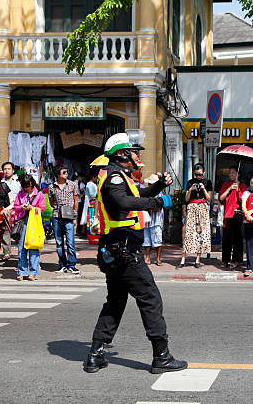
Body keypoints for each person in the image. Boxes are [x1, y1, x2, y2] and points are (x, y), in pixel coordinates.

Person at [85, 132, 187, 374]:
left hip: (115, 249)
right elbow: (123, 202)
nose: (137, 155)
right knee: (150, 299)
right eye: (133, 151)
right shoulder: (114, 178)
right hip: (125, 250)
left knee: (116, 301)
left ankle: (95, 354)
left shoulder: (119, 175)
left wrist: (159, 186)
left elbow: (137, 196)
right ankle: (161, 356)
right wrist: (159, 203)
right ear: (121, 154)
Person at [48, 164, 80, 274]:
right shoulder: (52, 187)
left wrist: (74, 215)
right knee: (59, 242)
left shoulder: (72, 185)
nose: (66, 174)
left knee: (70, 242)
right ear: (58, 174)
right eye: (64, 172)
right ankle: (62, 264)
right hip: (57, 216)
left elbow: (76, 201)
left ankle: (72, 265)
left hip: (69, 216)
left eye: (67, 172)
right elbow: (51, 202)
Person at [179, 163, 212, 268]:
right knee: (189, 232)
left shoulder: (208, 182)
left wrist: (203, 189)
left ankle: (198, 259)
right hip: (192, 207)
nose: (198, 177)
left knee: (202, 233)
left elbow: (209, 199)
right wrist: (190, 190)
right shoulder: (190, 182)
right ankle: (183, 258)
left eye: (200, 175)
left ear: (204, 173)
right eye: (196, 175)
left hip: (202, 207)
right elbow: (186, 199)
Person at [13, 174, 46, 281]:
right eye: (25, 187)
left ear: (32, 184)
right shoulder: (20, 194)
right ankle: (21, 272)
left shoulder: (39, 194)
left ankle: (33, 272)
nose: (27, 189)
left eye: (29, 186)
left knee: (34, 247)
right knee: (21, 248)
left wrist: (32, 208)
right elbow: (16, 206)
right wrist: (22, 207)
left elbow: (42, 209)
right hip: (23, 223)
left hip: (34, 223)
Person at [219, 166, 247, 269]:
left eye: (233, 173)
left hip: (238, 214)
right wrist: (229, 189)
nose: (231, 175)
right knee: (226, 238)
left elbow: (243, 199)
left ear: (238, 174)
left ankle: (236, 260)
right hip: (228, 214)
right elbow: (221, 198)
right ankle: (225, 260)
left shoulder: (242, 186)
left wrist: (238, 188)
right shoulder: (226, 185)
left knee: (237, 239)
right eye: (230, 173)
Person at [142, 174, 165, 266]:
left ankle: (158, 258)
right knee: (146, 240)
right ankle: (147, 258)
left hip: (156, 220)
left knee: (157, 240)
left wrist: (147, 208)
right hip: (147, 220)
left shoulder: (160, 194)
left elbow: (158, 207)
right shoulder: (145, 194)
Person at [0, 161, 21, 260]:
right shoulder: (0, 182)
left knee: (19, 231)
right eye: (5, 169)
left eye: (9, 169)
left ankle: (21, 252)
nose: (7, 171)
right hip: (6, 209)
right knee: (5, 231)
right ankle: (6, 252)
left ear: (13, 170)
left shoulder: (18, 181)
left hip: (18, 209)